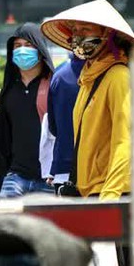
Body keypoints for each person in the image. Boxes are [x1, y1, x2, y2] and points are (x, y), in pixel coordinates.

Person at [41, 0, 134, 266]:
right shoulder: (88, 79)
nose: (77, 37)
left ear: (108, 36)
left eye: (85, 31)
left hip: (114, 193)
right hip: (92, 192)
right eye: (74, 32)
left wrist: (108, 199)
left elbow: (125, 142)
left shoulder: (118, 76)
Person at [0, 23, 55, 199]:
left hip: (49, 180)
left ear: (40, 50)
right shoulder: (9, 92)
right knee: (7, 224)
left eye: (29, 45)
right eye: (17, 46)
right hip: (15, 178)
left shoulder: (53, 86)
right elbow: (0, 139)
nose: (23, 50)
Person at [45, 53, 85, 190]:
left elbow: (54, 127)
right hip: (105, 170)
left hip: (64, 168)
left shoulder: (60, 75)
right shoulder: (118, 73)